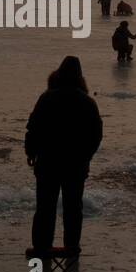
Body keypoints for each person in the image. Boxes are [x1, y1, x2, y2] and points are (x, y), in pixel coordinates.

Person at [24, 56, 103, 260]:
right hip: (75, 164)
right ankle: (71, 247)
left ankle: (41, 247)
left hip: (48, 162)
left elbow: (33, 127)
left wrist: (31, 152)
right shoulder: (87, 102)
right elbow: (96, 134)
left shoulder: (47, 98)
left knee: (45, 207)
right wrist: (86, 156)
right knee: (73, 207)